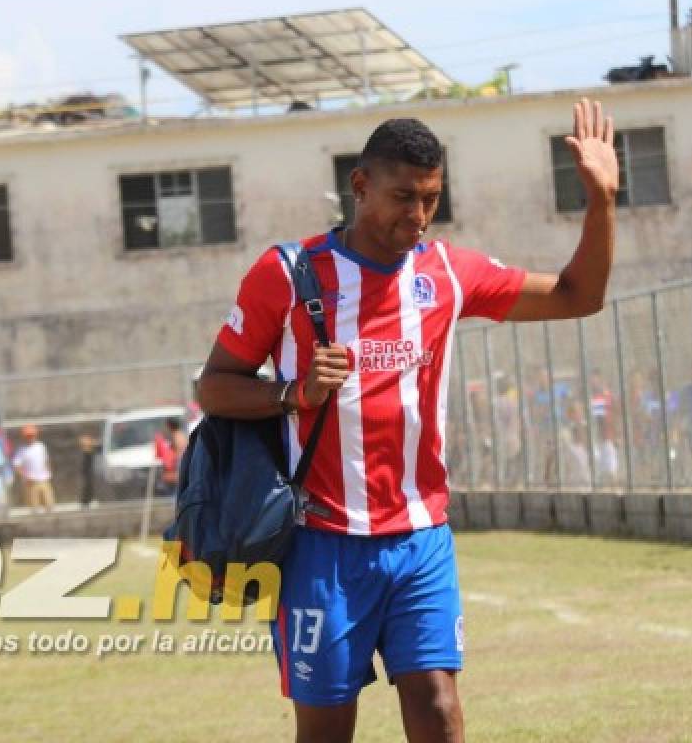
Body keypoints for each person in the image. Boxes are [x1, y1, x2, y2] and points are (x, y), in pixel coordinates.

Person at [197, 100, 618, 742]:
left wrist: (601, 202)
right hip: (321, 544)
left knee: (440, 710)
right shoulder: (287, 274)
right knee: (327, 731)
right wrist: (293, 393)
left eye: (431, 198)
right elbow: (214, 388)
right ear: (360, 186)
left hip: (421, 538)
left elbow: (576, 296)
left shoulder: (446, 272)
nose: (417, 217)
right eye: (403, 196)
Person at [12, 424, 54, 511]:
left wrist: (49, 472)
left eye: (32, 435)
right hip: (31, 482)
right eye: (28, 436)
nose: (30, 437)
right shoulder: (21, 449)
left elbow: (46, 460)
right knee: (34, 507)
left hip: (44, 479)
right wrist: (25, 477)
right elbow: (17, 466)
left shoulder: (41, 446)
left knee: (49, 504)